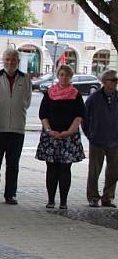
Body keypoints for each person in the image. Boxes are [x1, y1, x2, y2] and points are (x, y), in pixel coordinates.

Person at [0, 48, 32, 205]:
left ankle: (10, 194)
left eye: (13, 59)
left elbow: (27, 100)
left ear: (17, 61)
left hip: (17, 128)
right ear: (3, 60)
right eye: (7, 59)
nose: (10, 62)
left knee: (13, 164)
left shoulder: (25, 79)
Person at [36, 65, 85, 210]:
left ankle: (63, 201)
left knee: (65, 169)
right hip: (50, 136)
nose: (64, 78)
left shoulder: (76, 94)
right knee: (51, 169)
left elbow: (79, 116)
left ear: (71, 77)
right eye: (62, 75)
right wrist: (49, 130)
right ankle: (51, 200)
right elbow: (43, 115)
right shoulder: (50, 93)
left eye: (67, 75)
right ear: (58, 75)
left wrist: (69, 132)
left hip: (69, 137)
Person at [83, 69, 118, 208]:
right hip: (97, 139)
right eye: (113, 80)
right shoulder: (94, 98)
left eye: (116, 80)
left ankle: (108, 197)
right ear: (104, 82)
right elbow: (84, 118)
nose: (115, 83)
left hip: (115, 140)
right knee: (94, 170)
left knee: (114, 171)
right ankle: (92, 197)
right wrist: (90, 134)